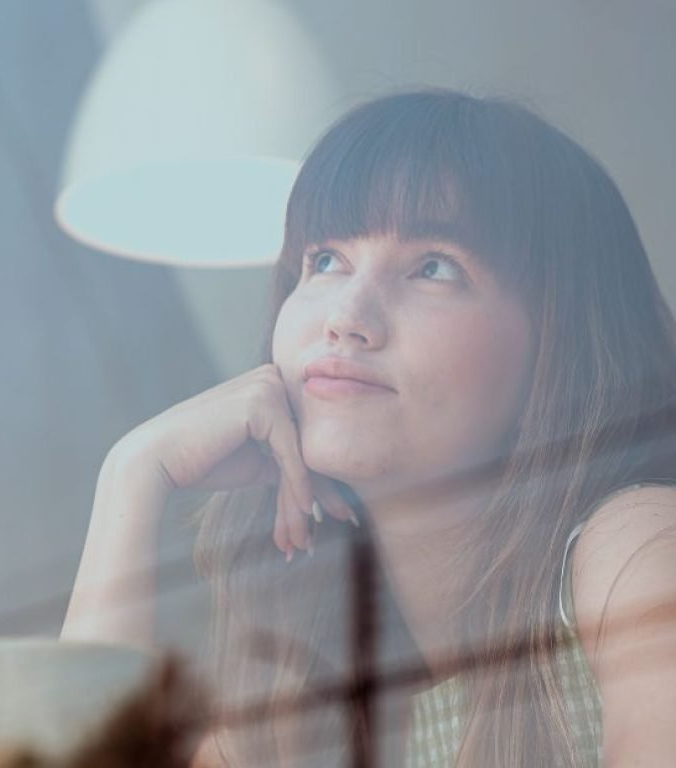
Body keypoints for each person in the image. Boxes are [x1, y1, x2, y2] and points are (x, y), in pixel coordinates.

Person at [61, 90, 676, 767]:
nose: (346, 315)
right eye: (324, 261)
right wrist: (132, 475)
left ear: (559, 341)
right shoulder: (312, 684)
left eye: (433, 267)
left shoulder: (636, 545)